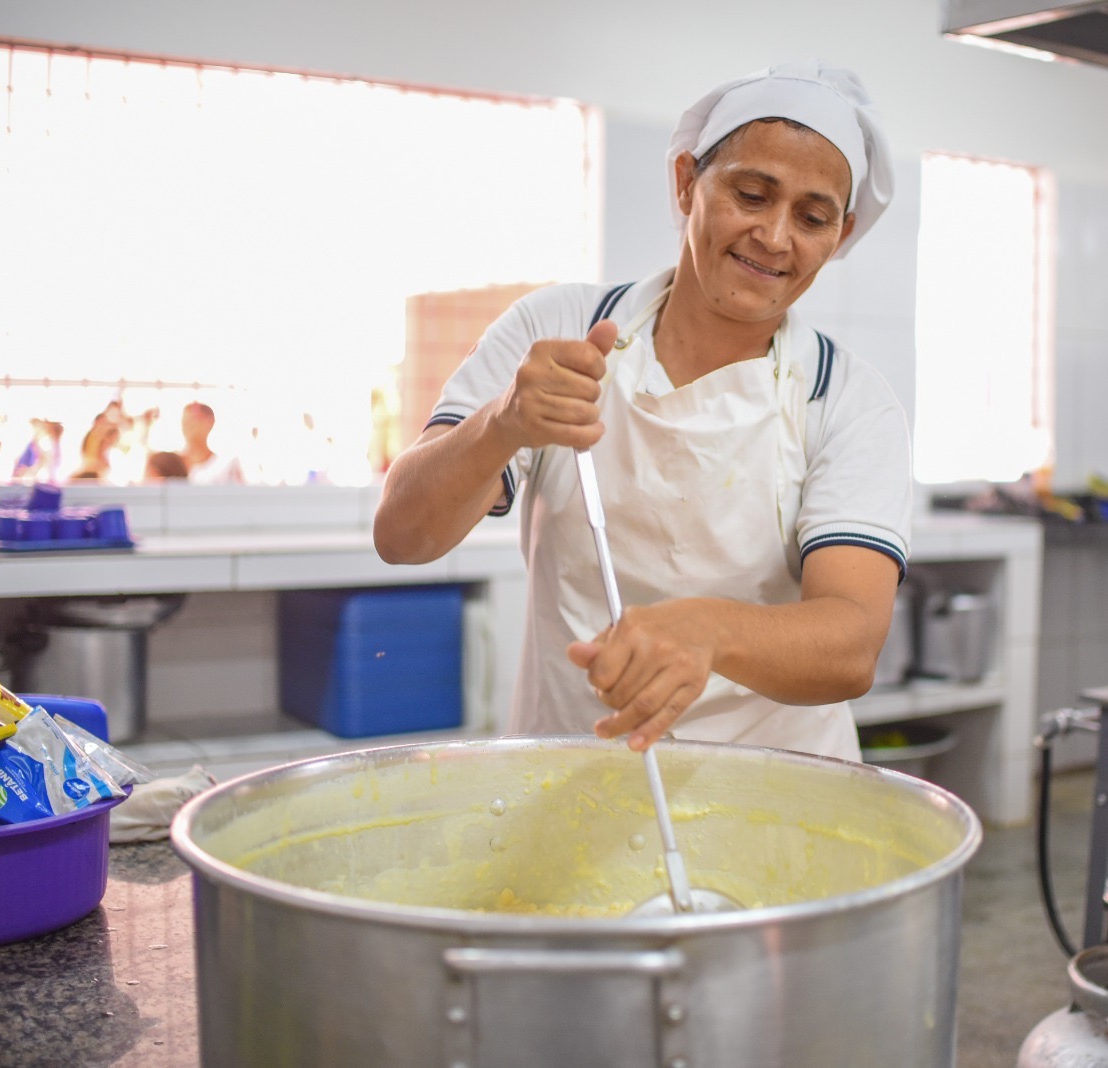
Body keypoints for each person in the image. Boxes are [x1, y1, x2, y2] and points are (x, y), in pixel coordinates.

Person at [375, 61, 909, 762]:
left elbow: (850, 646)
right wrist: (501, 422)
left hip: (776, 799)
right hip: (571, 772)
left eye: (811, 218)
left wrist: (708, 631)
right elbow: (403, 535)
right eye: (751, 194)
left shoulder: (844, 397)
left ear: (838, 237)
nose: (776, 238)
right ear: (686, 182)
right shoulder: (562, 325)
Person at [180, 402, 244, 484]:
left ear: (210, 422)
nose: (187, 428)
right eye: (184, 423)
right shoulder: (169, 464)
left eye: (193, 421)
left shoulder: (225, 467)